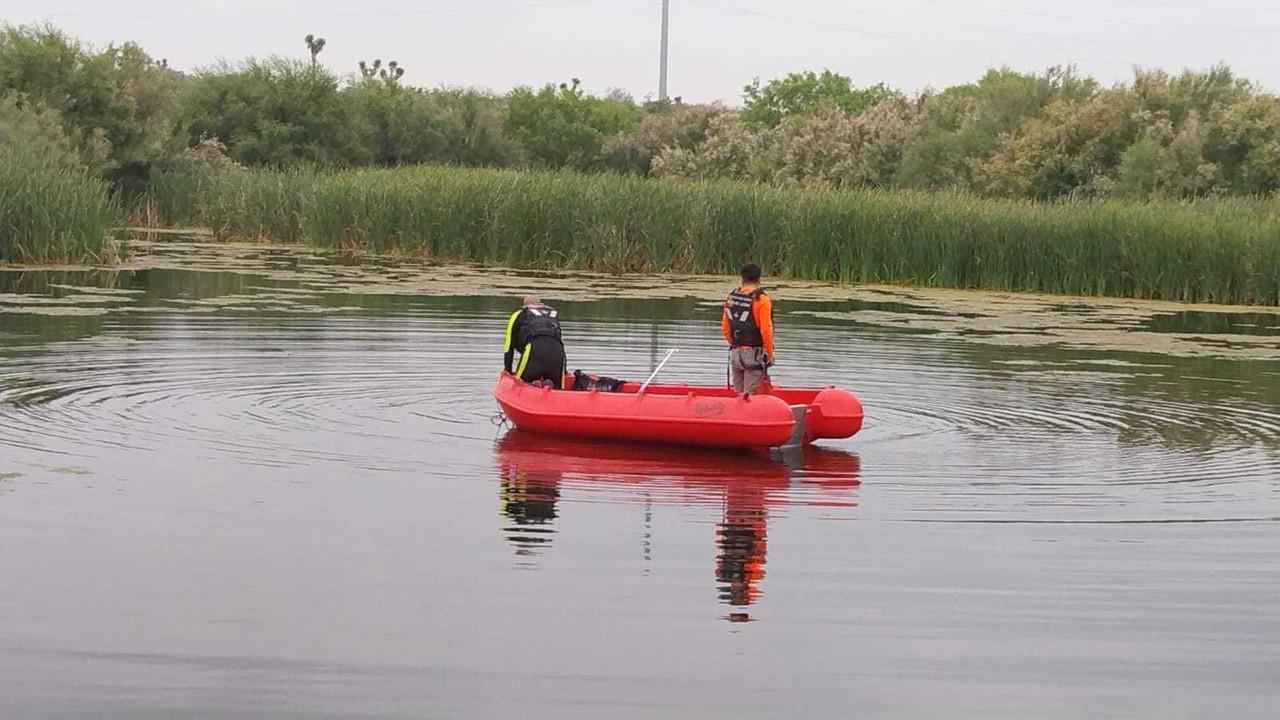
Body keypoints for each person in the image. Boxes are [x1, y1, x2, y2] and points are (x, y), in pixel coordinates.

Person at [721, 263, 774, 394]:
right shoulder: (761, 299)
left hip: (735, 353)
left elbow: (725, 328)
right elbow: (766, 330)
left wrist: (735, 344)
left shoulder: (731, 297)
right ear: (759, 278)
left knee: (739, 395)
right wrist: (769, 353)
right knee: (751, 397)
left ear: (742, 278)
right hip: (753, 354)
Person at [503, 295, 567, 388]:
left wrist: (507, 370)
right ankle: (549, 384)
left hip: (534, 350)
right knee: (557, 389)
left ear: (524, 304)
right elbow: (559, 341)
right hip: (557, 352)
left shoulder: (520, 313)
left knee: (520, 385)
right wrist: (564, 370)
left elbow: (508, 346)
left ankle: (534, 384)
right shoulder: (553, 314)